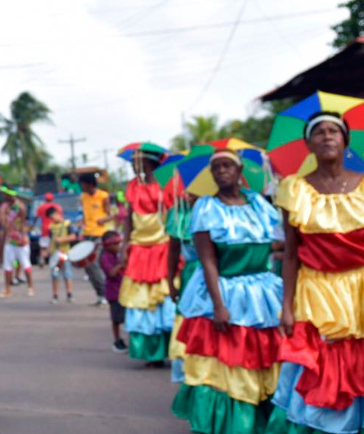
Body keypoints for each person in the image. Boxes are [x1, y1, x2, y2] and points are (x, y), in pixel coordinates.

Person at [267, 112, 364, 434]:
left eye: (333, 130)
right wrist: (287, 307)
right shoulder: (295, 190)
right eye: (318, 131)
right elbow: (291, 254)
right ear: (308, 144)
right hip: (319, 290)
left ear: (346, 140)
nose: (326, 136)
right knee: (325, 367)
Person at [172, 150, 283, 434]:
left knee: (264, 356)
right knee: (230, 363)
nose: (221, 171)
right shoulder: (206, 208)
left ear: (239, 170)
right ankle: (232, 425)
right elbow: (207, 260)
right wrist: (218, 305)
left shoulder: (259, 202)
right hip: (226, 289)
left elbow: (276, 239)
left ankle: (261, 421)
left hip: (262, 292)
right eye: (216, 168)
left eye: (227, 166)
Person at [118, 150, 175, 366]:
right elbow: (128, 219)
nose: (134, 166)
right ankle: (151, 353)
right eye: (133, 162)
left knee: (164, 297)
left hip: (163, 246)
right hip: (139, 249)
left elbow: (173, 214)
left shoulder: (166, 184)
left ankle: (170, 347)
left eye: (137, 162)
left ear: (149, 163)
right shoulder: (133, 186)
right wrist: (125, 245)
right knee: (141, 300)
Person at [165, 191, 198, 384]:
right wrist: (171, 282)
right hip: (191, 277)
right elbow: (173, 251)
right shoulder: (179, 213)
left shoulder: (217, 208)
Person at [78, 172, 110, 305]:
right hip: (87, 234)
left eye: (83, 184)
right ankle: (99, 294)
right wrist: (81, 229)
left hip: (100, 234)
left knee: (95, 263)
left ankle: (105, 293)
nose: (81, 186)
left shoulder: (103, 196)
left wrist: (104, 220)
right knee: (87, 265)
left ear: (90, 184)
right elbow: (84, 216)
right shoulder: (83, 197)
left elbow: (110, 215)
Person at [99, 231, 128, 352]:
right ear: (108, 245)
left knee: (127, 317)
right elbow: (111, 273)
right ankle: (117, 341)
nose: (118, 247)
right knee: (116, 319)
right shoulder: (105, 257)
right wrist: (121, 264)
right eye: (116, 244)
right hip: (114, 292)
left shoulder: (117, 254)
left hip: (124, 291)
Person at [0, 199, 33, 298]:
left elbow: (23, 219)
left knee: (25, 264)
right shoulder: (4, 207)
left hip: (21, 241)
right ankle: (7, 289)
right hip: (10, 241)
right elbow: (3, 222)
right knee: (8, 266)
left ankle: (30, 287)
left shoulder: (20, 206)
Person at [46, 206, 77, 304]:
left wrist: (62, 240)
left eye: (52, 217)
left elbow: (73, 237)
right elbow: (50, 240)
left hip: (64, 253)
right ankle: (55, 295)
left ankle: (69, 293)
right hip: (55, 254)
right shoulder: (51, 227)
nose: (52, 219)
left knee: (67, 273)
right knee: (55, 274)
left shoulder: (67, 224)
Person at [34, 192, 61, 267]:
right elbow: (61, 218)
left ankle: (42, 258)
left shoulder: (41, 207)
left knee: (44, 246)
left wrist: (33, 225)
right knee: (55, 245)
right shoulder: (57, 207)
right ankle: (55, 260)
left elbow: (36, 217)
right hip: (55, 229)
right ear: (52, 199)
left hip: (44, 229)